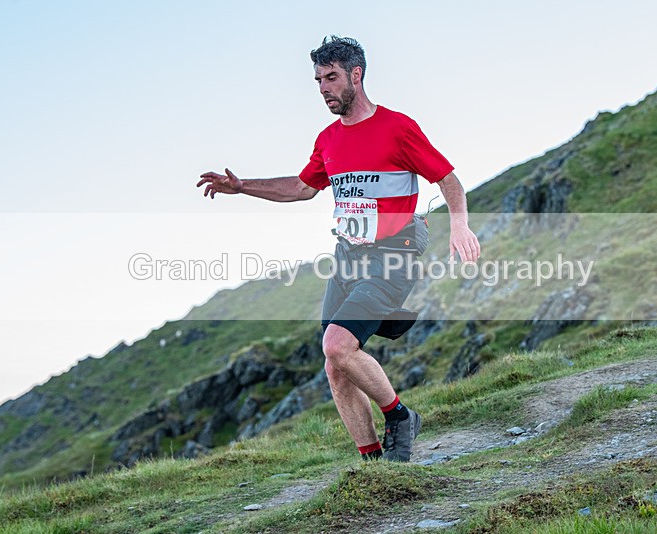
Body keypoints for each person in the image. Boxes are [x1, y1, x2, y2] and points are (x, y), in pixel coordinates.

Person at [197, 36, 480, 462]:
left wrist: (459, 224)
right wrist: (242, 187)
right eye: (318, 80)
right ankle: (373, 461)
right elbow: (301, 188)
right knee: (336, 363)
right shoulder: (327, 139)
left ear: (356, 75)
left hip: (393, 253)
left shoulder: (397, 128)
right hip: (348, 257)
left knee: (337, 344)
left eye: (331, 77)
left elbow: (447, 179)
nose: (324, 88)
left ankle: (401, 417)